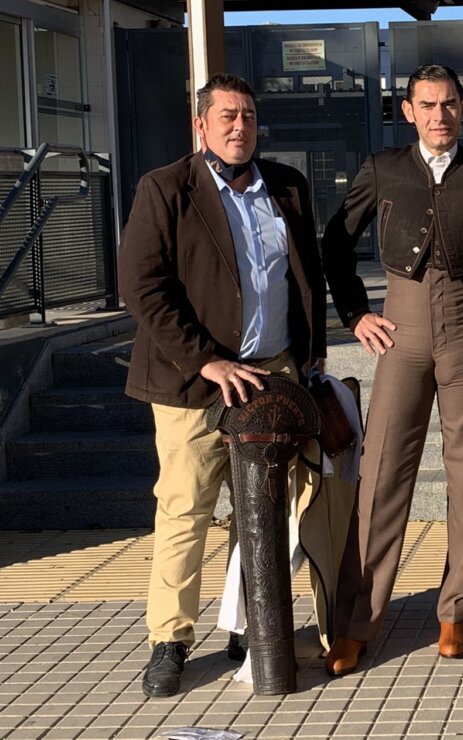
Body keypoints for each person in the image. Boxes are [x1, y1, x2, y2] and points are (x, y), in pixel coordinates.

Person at [321, 64, 463, 675]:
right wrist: (356, 313)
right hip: (402, 328)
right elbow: (335, 241)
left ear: (462, 108)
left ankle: (456, 612)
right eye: (427, 105)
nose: (439, 115)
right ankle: (357, 621)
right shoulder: (382, 168)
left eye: (448, 104)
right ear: (408, 111)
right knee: (383, 472)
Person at [119, 73, 327, 697]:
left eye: (250, 117)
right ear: (201, 125)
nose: (241, 127)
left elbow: (304, 276)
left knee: (263, 512)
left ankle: (245, 624)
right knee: (185, 508)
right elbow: (143, 287)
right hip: (195, 381)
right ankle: (169, 641)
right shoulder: (165, 188)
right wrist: (206, 361)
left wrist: (307, 360)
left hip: (274, 373)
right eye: (228, 116)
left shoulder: (287, 185)